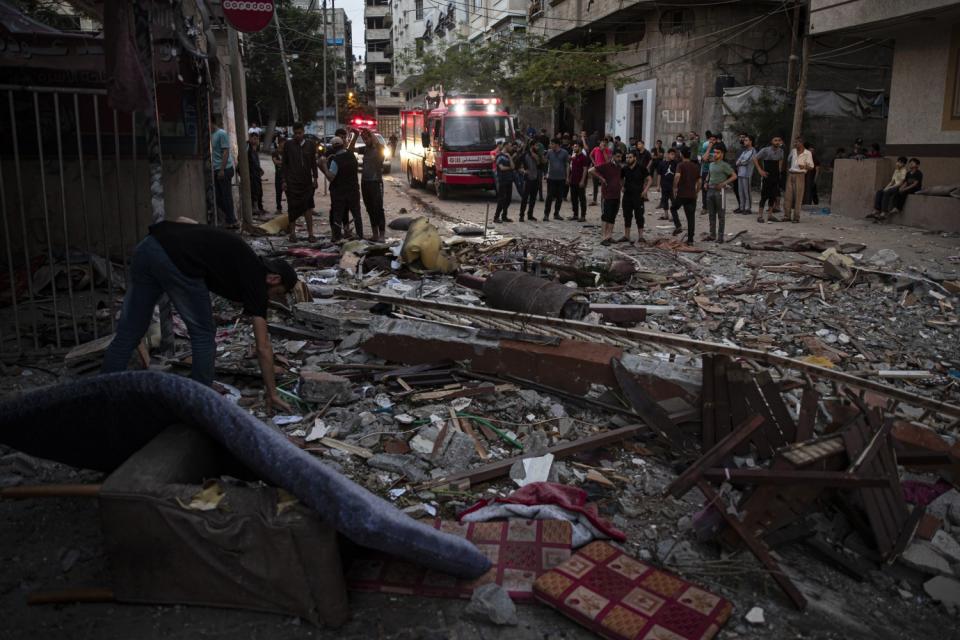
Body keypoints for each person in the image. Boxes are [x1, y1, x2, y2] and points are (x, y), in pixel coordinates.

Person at [101, 219, 297, 412]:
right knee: (203, 334)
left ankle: (103, 397)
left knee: (130, 332)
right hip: (179, 261)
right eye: (278, 292)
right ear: (273, 278)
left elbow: (184, 220)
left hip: (149, 246)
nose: (273, 298)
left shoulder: (245, 257)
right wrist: (272, 393)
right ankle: (198, 405)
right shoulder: (256, 283)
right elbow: (263, 347)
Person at [319, 136, 362, 241]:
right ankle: (360, 236)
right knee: (356, 214)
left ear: (333, 148)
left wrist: (324, 166)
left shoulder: (335, 160)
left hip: (340, 192)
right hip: (353, 191)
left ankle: (337, 238)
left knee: (337, 216)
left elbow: (331, 177)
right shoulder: (352, 156)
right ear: (343, 145)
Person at [281, 122, 318, 242]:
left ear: (303, 132)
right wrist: (284, 181)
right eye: (295, 133)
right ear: (293, 133)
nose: (297, 135)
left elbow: (313, 163)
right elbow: (284, 164)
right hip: (292, 183)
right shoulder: (288, 145)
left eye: (300, 133)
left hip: (306, 183)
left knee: (308, 208)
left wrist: (315, 179)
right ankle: (292, 234)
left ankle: (310, 234)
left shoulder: (310, 145)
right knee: (292, 208)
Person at [356, 128, 386, 242]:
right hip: (365, 182)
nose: (365, 141)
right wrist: (355, 135)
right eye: (363, 139)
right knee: (369, 208)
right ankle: (375, 234)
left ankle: (382, 235)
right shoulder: (365, 149)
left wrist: (369, 131)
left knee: (378, 208)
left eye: (367, 138)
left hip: (376, 182)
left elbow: (377, 144)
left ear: (371, 138)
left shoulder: (379, 148)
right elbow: (351, 149)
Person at [589, 150, 623, 246]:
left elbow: (620, 179)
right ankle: (603, 237)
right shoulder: (606, 165)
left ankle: (609, 236)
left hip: (616, 195)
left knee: (612, 216)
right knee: (606, 216)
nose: (619, 159)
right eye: (618, 156)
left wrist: (621, 186)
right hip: (607, 196)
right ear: (613, 156)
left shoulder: (619, 167)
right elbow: (591, 170)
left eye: (620, 157)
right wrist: (602, 178)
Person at [704, 147, 737, 243]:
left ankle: (720, 237)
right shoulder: (711, 164)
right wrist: (706, 182)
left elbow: (734, 176)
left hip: (720, 191)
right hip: (710, 190)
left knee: (721, 215)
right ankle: (712, 235)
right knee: (711, 214)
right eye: (714, 153)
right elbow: (709, 174)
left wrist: (724, 183)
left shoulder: (724, 165)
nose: (715, 154)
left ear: (722, 154)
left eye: (717, 153)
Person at [620, 149, 652, 244]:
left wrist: (645, 191)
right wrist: (622, 187)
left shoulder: (641, 168)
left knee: (639, 216)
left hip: (638, 196)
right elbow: (621, 178)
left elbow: (649, 179)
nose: (628, 159)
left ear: (635, 158)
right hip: (627, 196)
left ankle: (641, 237)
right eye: (626, 157)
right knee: (627, 216)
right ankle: (626, 236)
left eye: (630, 157)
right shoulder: (625, 168)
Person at [210, 116, 237, 229]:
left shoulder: (221, 134)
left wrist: (222, 169)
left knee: (226, 196)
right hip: (217, 168)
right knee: (218, 197)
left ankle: (231, 220)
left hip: (225, 169)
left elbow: (225, 152)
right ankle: (230, 218)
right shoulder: (211, 135)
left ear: (212, 122)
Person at [671, 148, 701, 243]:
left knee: (673, 208)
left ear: (681, 155)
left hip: (682, 194)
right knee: (691, 217)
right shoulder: (696, 166)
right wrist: (696, 191)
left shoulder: (680, 165)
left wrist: (675, 187)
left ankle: (678, 225)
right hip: (692, 195)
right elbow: (699, 181)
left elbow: (677, 176)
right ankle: (690, 239)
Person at [754, 136, 784, 222]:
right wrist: (760, 170)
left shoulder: (781, 151)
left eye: (778, 140)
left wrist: (779, 171)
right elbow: (755, 158)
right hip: (767, 175)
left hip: (776, 176)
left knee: (773, 195)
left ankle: (770, 215)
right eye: (775, 140)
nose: (777, 142)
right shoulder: (765, 150)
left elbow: (781, 160)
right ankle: (760, 216)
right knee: (764, 195)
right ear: (772, 141)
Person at [784, 137, 814, 223]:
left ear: (801, 143)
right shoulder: (793, 151)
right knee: (788, 196)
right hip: (791, 173)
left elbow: (811, 166)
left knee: (798, 196)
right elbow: (789, 161)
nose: (795, 144)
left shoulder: (807, 153)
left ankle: (796, 217)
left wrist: (804, 166)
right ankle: (787, 216)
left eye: (796, 143)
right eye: (795, 143)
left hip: (800, 175)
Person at [543, 138, 570, 221]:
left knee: (559, 197)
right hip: (551, 178)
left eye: (552, 144)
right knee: (549, 197)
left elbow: (567, 165)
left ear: (557, 144)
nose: (550, 145)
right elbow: (544, 162)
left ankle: (556, 213)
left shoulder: (564, 152)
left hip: (561, 178)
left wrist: (567, 177)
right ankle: (546, 214)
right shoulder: (549, 152)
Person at [493, 141, 516, 223]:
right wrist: (510, 168)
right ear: (505, 146)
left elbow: (513, 166)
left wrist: (510, 157)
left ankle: (504, 216)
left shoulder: (508, 155)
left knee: (508, 199)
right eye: (510, 146)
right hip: (502, 180)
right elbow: (502, 168)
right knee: (501, 199)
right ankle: (496, 217)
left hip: (509, 179)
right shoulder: (499, 156)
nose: (511, 147)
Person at [734, 134, 757, 216]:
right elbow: (737, 162)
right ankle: (742, 207)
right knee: (741, 191)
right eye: (744, 140)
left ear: (751, 141)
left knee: (746, 191)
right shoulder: (744, 151)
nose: (744, 141)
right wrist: (740, 162)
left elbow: (746, 161)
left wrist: (740, 162)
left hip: (747, 174)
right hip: (740, 173)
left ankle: (748, 208)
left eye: (746, 140)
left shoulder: (753, 151)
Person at [518, 141, 540, 222]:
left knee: (533, 198)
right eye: (536, 145)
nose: (537, 147)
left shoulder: (537, 154)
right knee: (525, 198)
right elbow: (518, 167)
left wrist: (535, 156)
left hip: (535, 178)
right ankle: (521, 215)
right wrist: (523, 171)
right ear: (532, 146)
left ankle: (530, 215)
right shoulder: (524, 155)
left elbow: (539, 163)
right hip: (527, 179)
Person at [568, 141, 589, 221]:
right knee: (573, 198)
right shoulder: (573, 157)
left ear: (580, 147)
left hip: (580, 181)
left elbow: (585, 170)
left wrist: (582, 181)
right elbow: (571, 169)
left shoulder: (583, 157)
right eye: (574, 147)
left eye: (576, 146)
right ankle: (575, 214)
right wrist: (569, 177)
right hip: (573, 181)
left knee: (582, 199)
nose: (574, 148)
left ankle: (583, 216)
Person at [246, 132, 265, 214]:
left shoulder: (255, 148)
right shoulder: (247, 147)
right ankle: (254, 209)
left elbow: (256, 162)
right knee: (254, 191)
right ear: (250, 139)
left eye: (257, 139)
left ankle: (260, 208)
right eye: (254, 138)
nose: (256, 140)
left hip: (256, 173)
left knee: (259, 191)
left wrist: (260, 169)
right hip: (251, 174)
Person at [658, 147, 678, 220]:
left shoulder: (675, 163)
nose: (673, 156)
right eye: (672, 154)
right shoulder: (662, 163)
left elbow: (677, 174)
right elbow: (659, 175)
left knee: (673, 200)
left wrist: (676, 186)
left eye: (674, 155)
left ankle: (673, 216)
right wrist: (658, 185)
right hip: (664, 185)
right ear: (667, 154)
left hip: (672, 185)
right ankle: (666, 215)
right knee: (665, 200)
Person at [589, 138, 609, 206]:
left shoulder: (607, 150)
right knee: (595, 185)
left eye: (604, 144)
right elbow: (590, 155)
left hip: (604, 170)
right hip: (596, 169)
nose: (603, 145)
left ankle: (603, 200)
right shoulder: (595, 149)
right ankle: (594, 200)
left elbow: (607, 161)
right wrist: (594, 162)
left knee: (604, 185)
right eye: (602, 143)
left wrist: (603, 151)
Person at [271, 134, 285, 214]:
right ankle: (279, 208)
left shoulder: (286, 152)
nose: (284, 144)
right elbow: (276, 162)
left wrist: (281, 163)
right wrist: (284, 163)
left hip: (286, 174)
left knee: (288, 192)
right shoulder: (275, 152)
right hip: (278, 174)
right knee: (278, 192)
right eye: (283, 143)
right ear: (279, 143)